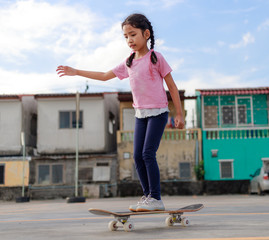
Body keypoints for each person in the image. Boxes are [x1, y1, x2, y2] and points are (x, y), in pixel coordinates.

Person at [56, 13, 185, 212]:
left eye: (133, 34)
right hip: (141, 115)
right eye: (125, 37)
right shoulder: (129, 62)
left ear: (146, 34)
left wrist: (179, 114)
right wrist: (76, 72)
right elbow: (105, 75)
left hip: (158, 113)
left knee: (147, 153)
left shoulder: (155, 58)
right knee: (137, 156)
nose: (129, 40)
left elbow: (173, 88)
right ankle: (148, 195)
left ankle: (156, 198)